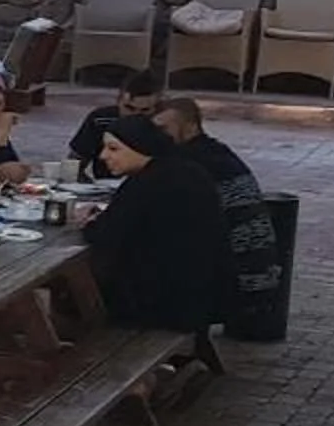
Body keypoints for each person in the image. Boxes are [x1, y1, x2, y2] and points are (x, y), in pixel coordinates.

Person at [81, 113, 231, 332]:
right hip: (204, 297)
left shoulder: (145, 183)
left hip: (164, 305)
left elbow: (105, 235)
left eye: (114, 149)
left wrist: (89, 223)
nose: (103, 156)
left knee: (79, 288)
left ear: (140, 147)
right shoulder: (188, 170)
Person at [158, 98, 283, 337]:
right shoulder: (217, 153)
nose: (157, 136)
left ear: (190, 127)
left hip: (239, 280)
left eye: (164, 128)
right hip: (258, 272)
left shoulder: (189, 163)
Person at [69, 73, 161, 180]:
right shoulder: (100, 120)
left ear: (156, 108)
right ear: (118, 102)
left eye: (145, 110)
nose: (135, 115)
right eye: (129, 108)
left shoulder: (163, 125)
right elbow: (74, 163)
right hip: (106, 184)